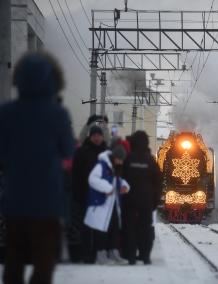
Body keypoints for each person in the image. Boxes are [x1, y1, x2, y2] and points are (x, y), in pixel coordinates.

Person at [0, 51, 74, 284]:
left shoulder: (6, 112)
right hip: (48, 202)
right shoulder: (57, 114)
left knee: (14, 260)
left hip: (15, 199)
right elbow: (68, 150)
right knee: (44, 261)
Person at [84, 144, 130, 264]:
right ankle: (101, 255)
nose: (120, 161)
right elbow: (92, 179)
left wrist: (125, 186)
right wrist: (107, 188)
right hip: (101, 204)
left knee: (113, 228)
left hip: (113, 204)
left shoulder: (115, 167)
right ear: (114, 157)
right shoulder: (102, 165)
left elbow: (119, 181)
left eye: (121, 160)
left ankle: (113, 253)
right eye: (119, 159)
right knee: (101, 230)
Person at [122, 131, 162, 265]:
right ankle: (145, 256)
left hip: (130, 201)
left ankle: (131, 256)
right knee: (145, 229)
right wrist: (155, 202)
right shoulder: (150, 161)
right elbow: (158, 183)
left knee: (130, 229)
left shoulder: (128, 159)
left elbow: (121, 178)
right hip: (146, 201)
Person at [71, 125, 107, 262]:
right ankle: (87, 255)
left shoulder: (106, 152)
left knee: (100, 228)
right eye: (94, 135)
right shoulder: (82, 152)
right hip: (86, 195)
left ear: (102, 136)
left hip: (102, 196)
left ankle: (99, 254)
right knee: (86, 228)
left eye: (99, 135)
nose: (97, 138)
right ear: (90, 136)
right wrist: (77, 195)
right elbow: (76, 175)